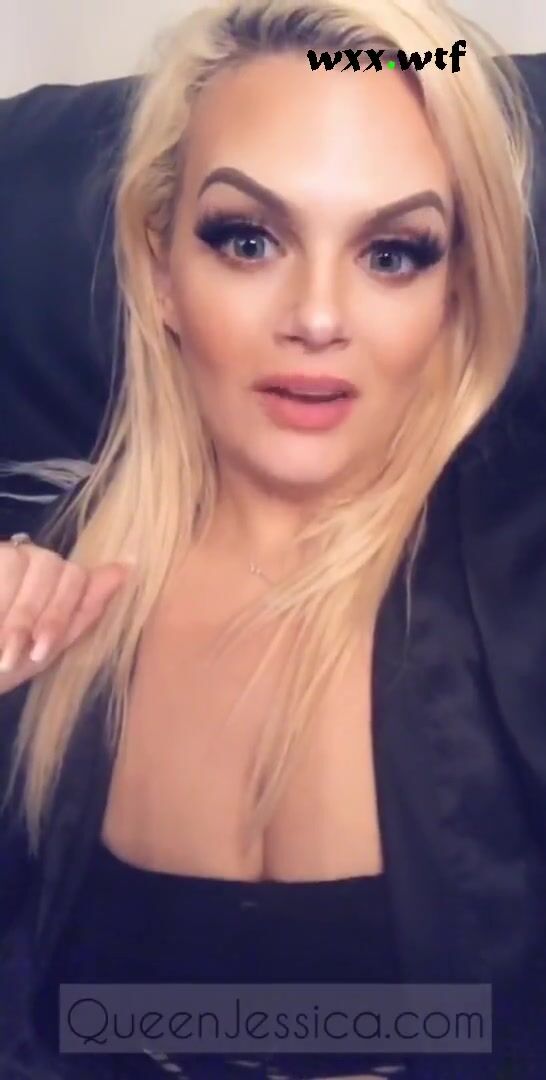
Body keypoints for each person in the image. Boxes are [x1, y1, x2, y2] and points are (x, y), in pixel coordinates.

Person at [0, 0, 545, 1076]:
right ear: (160, 268)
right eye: (247, 240)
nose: (317, 315)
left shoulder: (521, 601)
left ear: (458, 293)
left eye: (394, 252)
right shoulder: (37, 593)